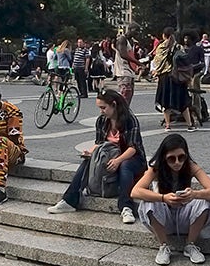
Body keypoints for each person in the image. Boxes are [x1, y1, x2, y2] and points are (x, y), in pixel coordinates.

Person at [47, 89, 146, 224]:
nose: (101, 111)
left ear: (114, 105)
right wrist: (90, 152)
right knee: (87, 161)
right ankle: (69, 200)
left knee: (125, 165)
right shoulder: (102, 121)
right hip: (108, 154)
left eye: (103, 108)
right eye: (100, 108)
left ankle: (126, 206)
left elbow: (133, 147)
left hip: (131, 158)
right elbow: (99, 143)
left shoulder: (129, 120)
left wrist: (118, 160)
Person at [132, 133, 210, 266]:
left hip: (184, 216)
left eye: (181, 157)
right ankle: (163, 246)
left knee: (205, 200)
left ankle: (190, 245)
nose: (177, 162)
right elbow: (135, 191)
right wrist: (163, 198)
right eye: (171, 159)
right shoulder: (156, 168)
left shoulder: (190, 166)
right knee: (148, 201)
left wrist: (194, 194)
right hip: (164, 217)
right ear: (164, 158)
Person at [153, 28, 196, 132]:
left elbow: (157, 63)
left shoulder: (161, 47)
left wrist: (157, 72)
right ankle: (189, 124)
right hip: (177, 77)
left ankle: (168, 125)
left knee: (165, 102)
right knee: (183, 101)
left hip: (164, 78)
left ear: (164, 35)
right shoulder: (178, 47)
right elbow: (185, 61)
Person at [114, 22, 140, 103]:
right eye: (136, 30)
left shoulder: (131, 41)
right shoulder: (122, 39)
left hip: (129, 71)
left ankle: (125, 113)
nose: (137, 33)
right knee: (124, 95)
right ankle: (120, 113)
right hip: (123, 71)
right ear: (130, 29)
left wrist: (135, 66)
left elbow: (130, 55)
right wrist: (138, 63)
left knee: (128, 96)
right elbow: (123, 55)